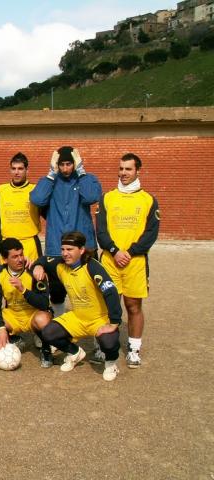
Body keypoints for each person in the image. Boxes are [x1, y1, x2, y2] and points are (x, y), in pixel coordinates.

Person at [96, 153, 160, 368]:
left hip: (135, 262)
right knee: (107, 305)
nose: (123, 173)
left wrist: (130, 252)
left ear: (137, 171)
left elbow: (151, 233)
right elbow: (101, 231)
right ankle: (104, 347)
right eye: (121, 168)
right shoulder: (107, 198)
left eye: (128, 169)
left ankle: (133, 349)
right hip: (110, 260)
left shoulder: (148, 200)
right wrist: (115, 251)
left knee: (133, 306)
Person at [33, 231, 123, 381]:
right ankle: (75, 352)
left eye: (70, 249)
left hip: (98, 319)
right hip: (77, 317)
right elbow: (44, 259)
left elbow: (111, 291)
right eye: (63, 249)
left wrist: (114, 322)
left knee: (109, 342)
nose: (65, 253)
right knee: (48, 333)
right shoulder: (61, 264)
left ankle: (111, 363)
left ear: (81, 250)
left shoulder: (92, 266)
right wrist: (38, 265)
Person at [30, 146, 102, 316]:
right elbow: (37, 199)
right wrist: (51, 173)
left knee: (89, 290)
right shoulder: (50, 181)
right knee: (57, 293)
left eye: (68, 164)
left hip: (84, 247)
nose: (65, 168)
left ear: (75, 163)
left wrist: (81, 171)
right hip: (57, 247)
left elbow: (91, 197)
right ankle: (59, 325)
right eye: (61, 164)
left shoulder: (86, 179)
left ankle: (94, 327)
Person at [0, 238, 53, 367]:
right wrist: (1, 328)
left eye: (21, 255)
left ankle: (46, 349)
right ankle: (13, 339)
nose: (20, 259)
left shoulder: (34, 270)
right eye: (14, 257)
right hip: (13, 315)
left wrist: (23, 290)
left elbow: (44, 304)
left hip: (32, 315)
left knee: (43, 319)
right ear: (5, 259)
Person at [0, 153, 42, 262]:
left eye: (20, 169)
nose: (16, 172)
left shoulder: (35, 189)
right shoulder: (1, 190)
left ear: (27, 170)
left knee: (32, 273)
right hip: (7, 243)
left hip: (29, 243)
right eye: (13, 169)